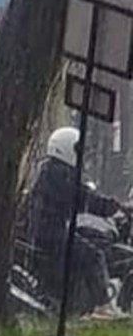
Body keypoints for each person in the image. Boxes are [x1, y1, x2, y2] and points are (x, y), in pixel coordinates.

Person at [21, 126, 122, 315]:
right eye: (78, 150)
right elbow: (83, 198)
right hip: (50, 232)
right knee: (94, 256)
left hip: (42, 230)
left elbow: (81, 194)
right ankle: (102, 307)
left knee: (90, 237)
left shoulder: (52, 170)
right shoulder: (60, 174)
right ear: (66, 148)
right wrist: (111, 206)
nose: (81, 155)